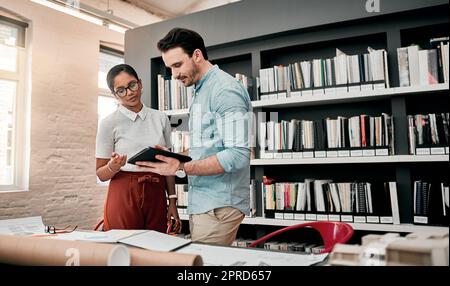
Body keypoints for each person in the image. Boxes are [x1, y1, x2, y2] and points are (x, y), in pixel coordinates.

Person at [135, 28, 252, 246]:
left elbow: (238, 156)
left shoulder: (224, 90)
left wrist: (180, 167)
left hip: (219, 205)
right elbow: (207, 148)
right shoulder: (201, 90)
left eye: (178, 65)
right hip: (205, 203)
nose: (174, 74)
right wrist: (174, 158)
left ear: (197, 55)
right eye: (169, 67)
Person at [95, 64, 180, 233]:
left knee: (155, 247)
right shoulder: (108, 123)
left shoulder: (160, 118)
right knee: (122, 248)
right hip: (123, 190)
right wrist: (113, 166)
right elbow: (100, 174)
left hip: (157, 190)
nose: (129, 92)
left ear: (140, 84)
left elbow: (169, 165)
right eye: (121, 90)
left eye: (132, 85)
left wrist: (172, 201)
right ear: (114, 94)